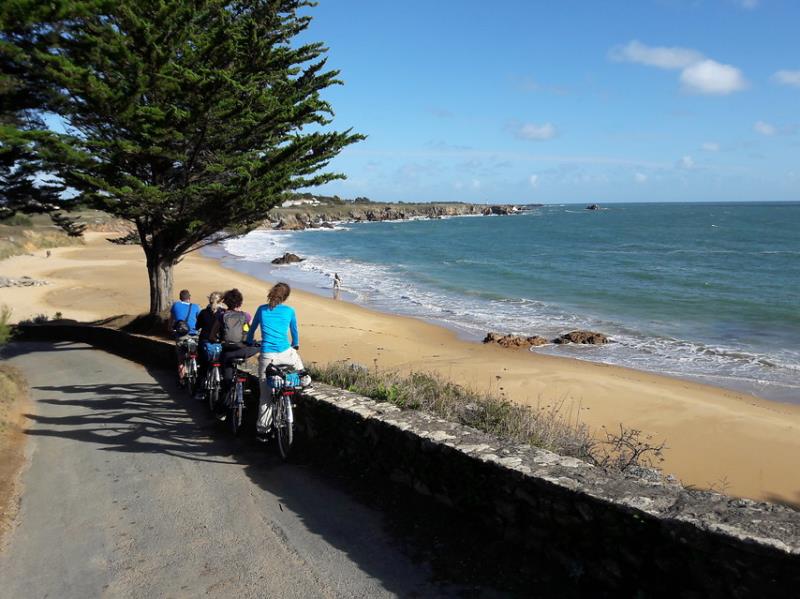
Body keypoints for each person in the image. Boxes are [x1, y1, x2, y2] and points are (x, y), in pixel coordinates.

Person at [246, 282, 310, 439]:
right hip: (286, 352)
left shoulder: (262, 310)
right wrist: (295, 344)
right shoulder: (289, 311)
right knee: (299, 366)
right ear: (285, 297)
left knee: (266, 396)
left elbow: (252, 329)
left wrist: (249, 340)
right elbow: (294, 331)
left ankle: (263, 431)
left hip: (268, 356)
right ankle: (306, 382)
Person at [210, 288, 257, 406]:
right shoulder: (246, 316)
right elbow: (251, 333)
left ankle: (221, 411)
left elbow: (212, 335)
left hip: (227, 353)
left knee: (227, 383)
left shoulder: (221, 316)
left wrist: (215, 340)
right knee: (259, 346)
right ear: (240, 303)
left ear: (227, 303)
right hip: (242, 351)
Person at [194, 291, 225, 399]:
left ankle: (200, 391)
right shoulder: (224, 313)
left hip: (205, 342)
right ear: (221, 301)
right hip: (219, 344)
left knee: (203, 367)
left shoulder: (203, 312)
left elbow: (197, 327)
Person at [168, 289, 201, 383]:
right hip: (194, 336)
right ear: (189, 298)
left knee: (181, 359)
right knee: (197, 353)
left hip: (181, 336)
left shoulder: (175, 305)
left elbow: (171, 321)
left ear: (180, 298)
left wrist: (170, 329)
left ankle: (182, 380)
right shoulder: (196, 306)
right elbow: (200, 320)